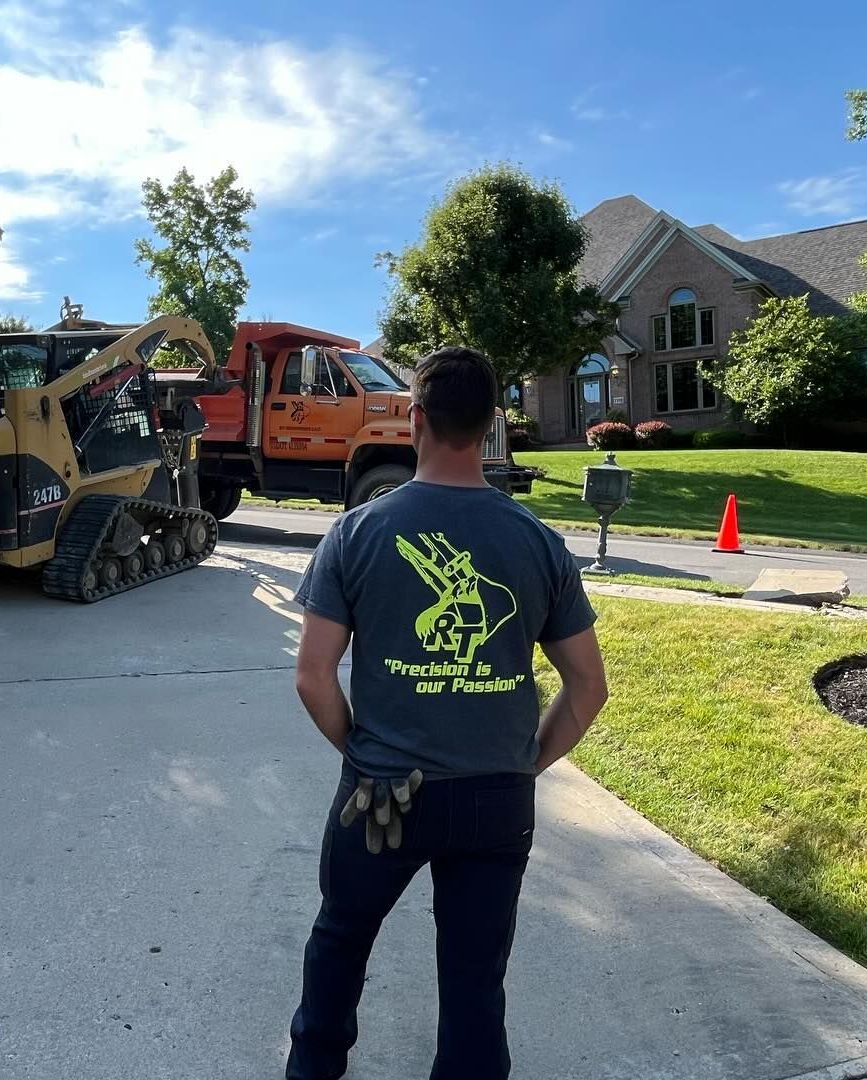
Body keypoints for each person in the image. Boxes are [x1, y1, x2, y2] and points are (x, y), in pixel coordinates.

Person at [286, 346, 609, 1080]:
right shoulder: (539, 542)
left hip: (381, 795)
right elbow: (588, 687)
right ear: (492, 425)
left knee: (340, 939)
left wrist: (365, 749)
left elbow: (312, 678)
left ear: (413, 417)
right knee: (474, 980)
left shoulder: (358, 532)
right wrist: (521, 763)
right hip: (497, 800)